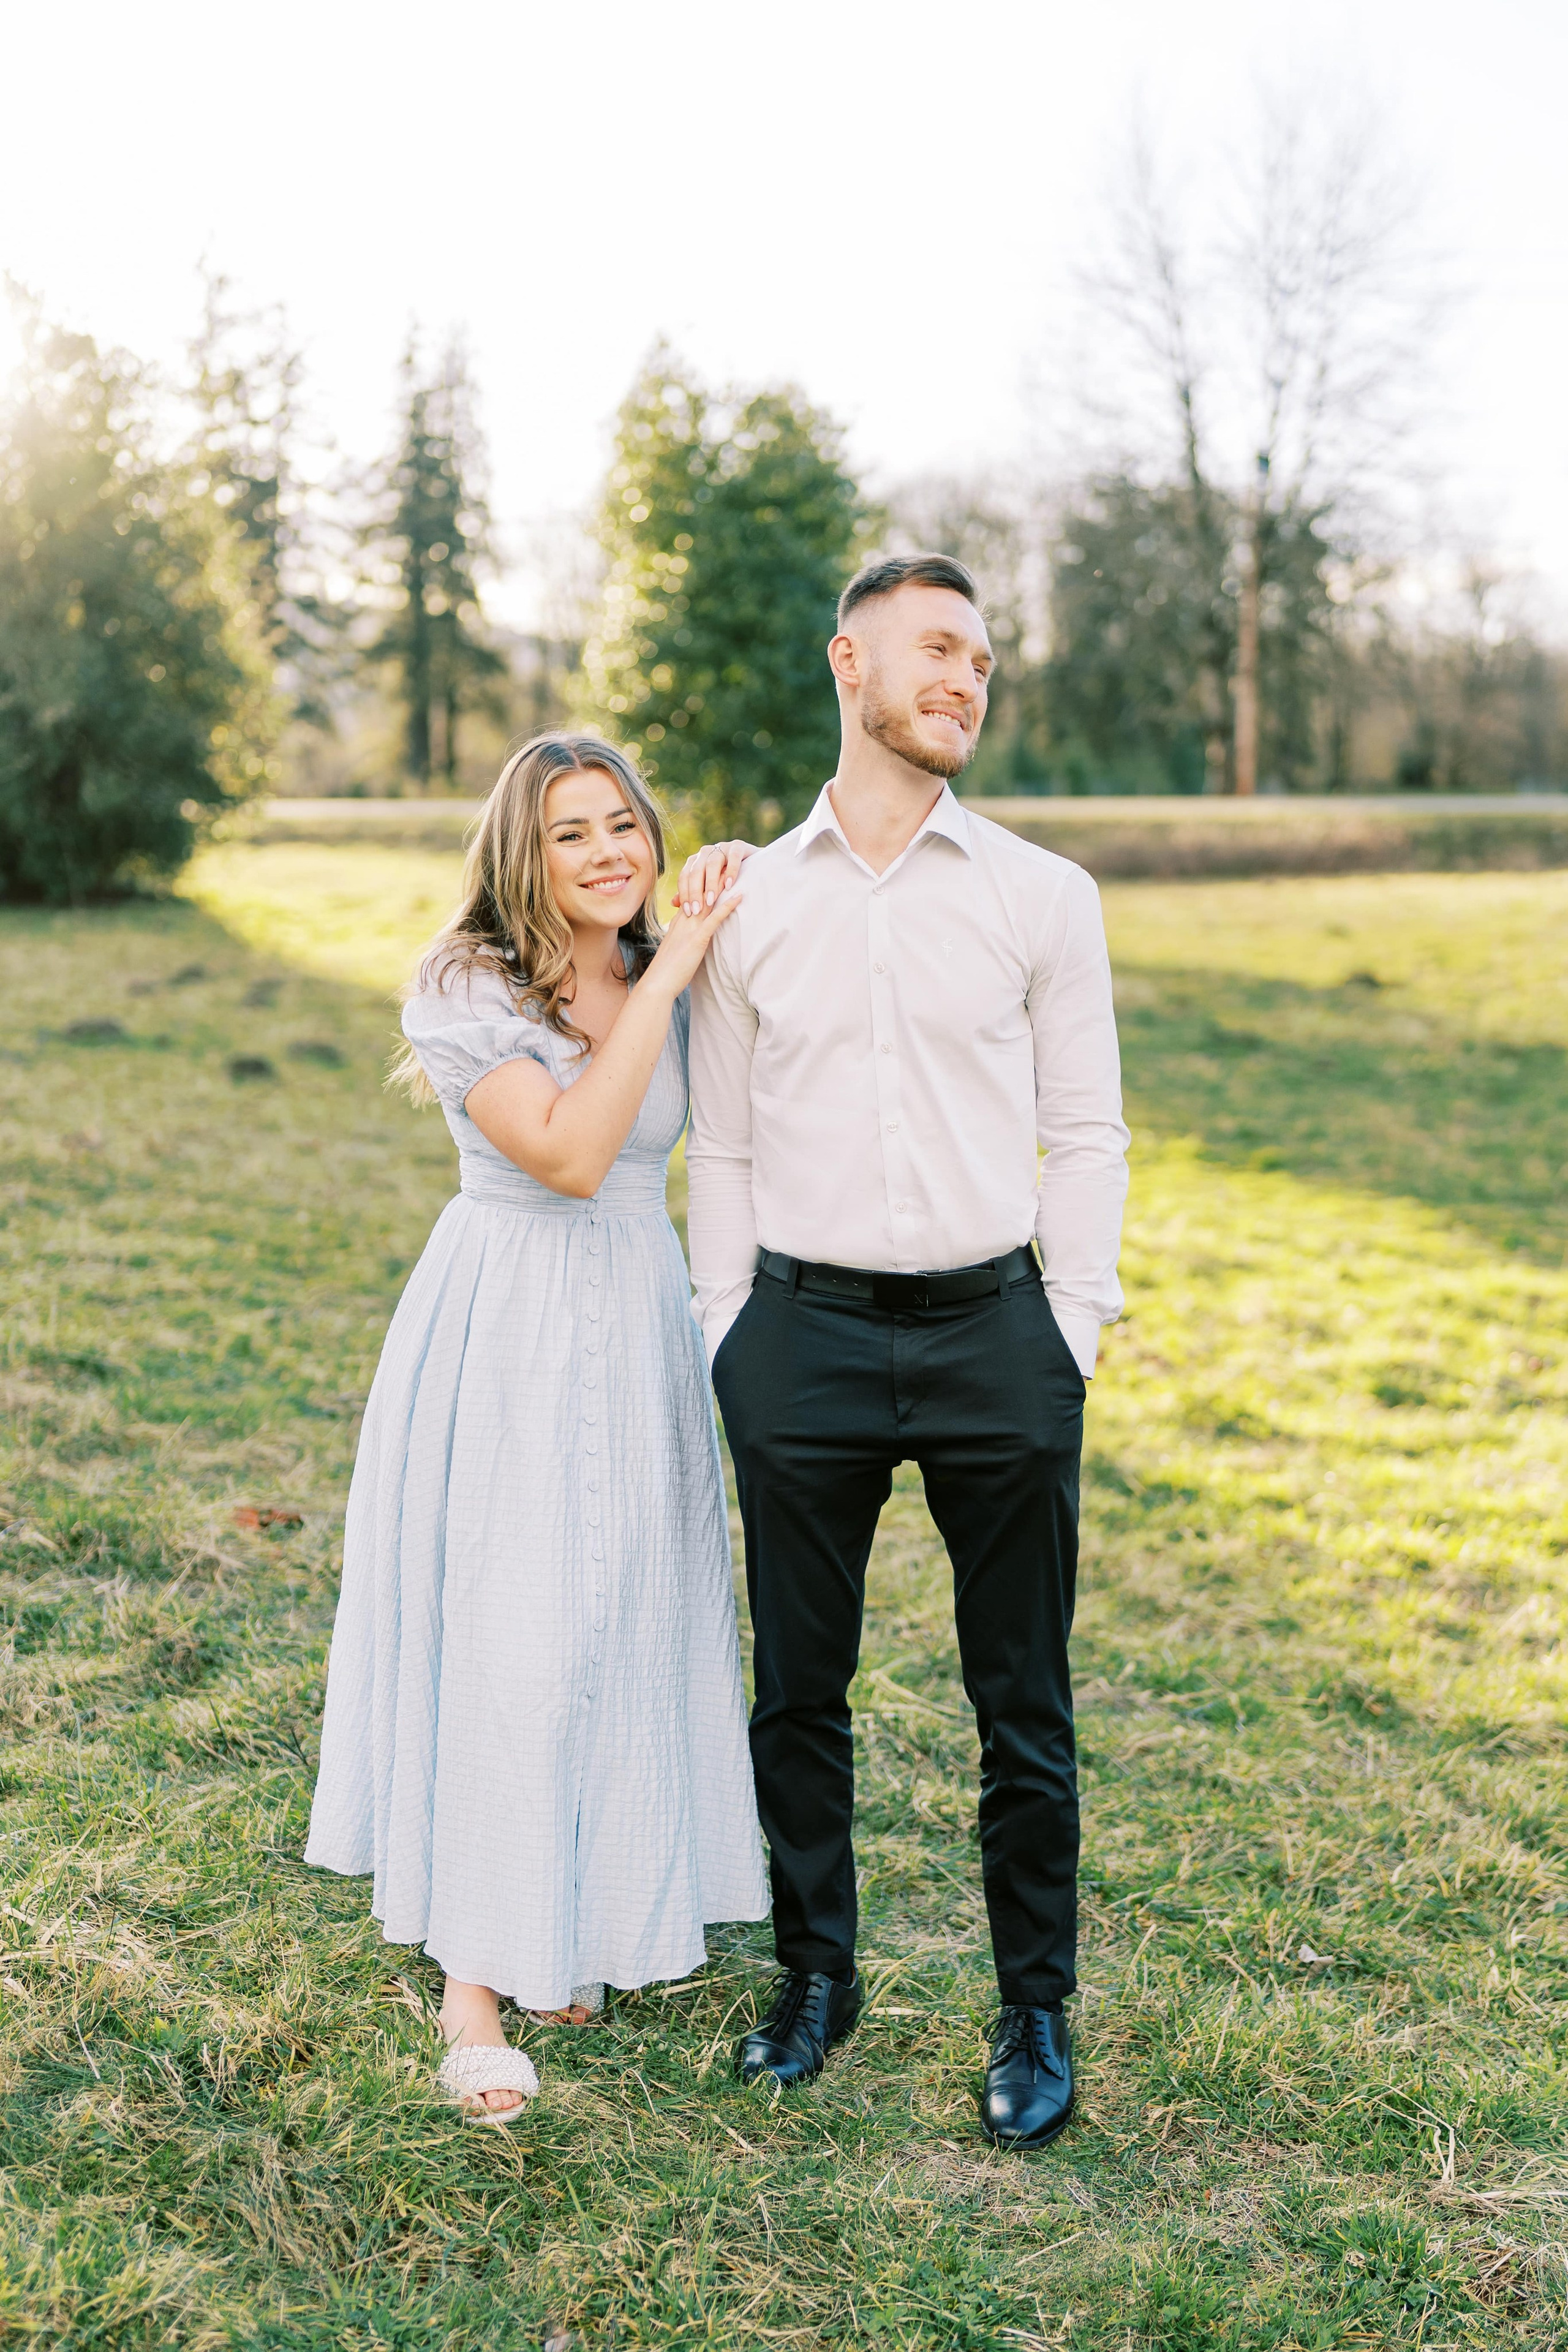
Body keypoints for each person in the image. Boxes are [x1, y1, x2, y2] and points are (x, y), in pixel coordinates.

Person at [684, 553, 1130, 2149]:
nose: (968, 678)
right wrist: (727, 1330)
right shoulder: (748, 902)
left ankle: (1033, 2007)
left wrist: (1067, 1331)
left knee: (1024, 1701)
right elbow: (719, 1147)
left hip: (996, 1334)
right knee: (799, 1692)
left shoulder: (1041, 896)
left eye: (985, 660)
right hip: (795, 1337)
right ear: (848, 664)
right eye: (938, 648)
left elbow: (1086, 1133)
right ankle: (816, 1977)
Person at [306, 733, 767, 2123]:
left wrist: (716, 922)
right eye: (571, 832)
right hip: (503, 1315)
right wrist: (674, 968)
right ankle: (474, 1985)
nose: (607, 853)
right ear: (525, 850)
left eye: (624, 824)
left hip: (636, 1317)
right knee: (511, 1634)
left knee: (620, 1615)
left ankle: (585, 1920)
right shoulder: (465, 981)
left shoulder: (662, 966)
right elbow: (566, 1155)